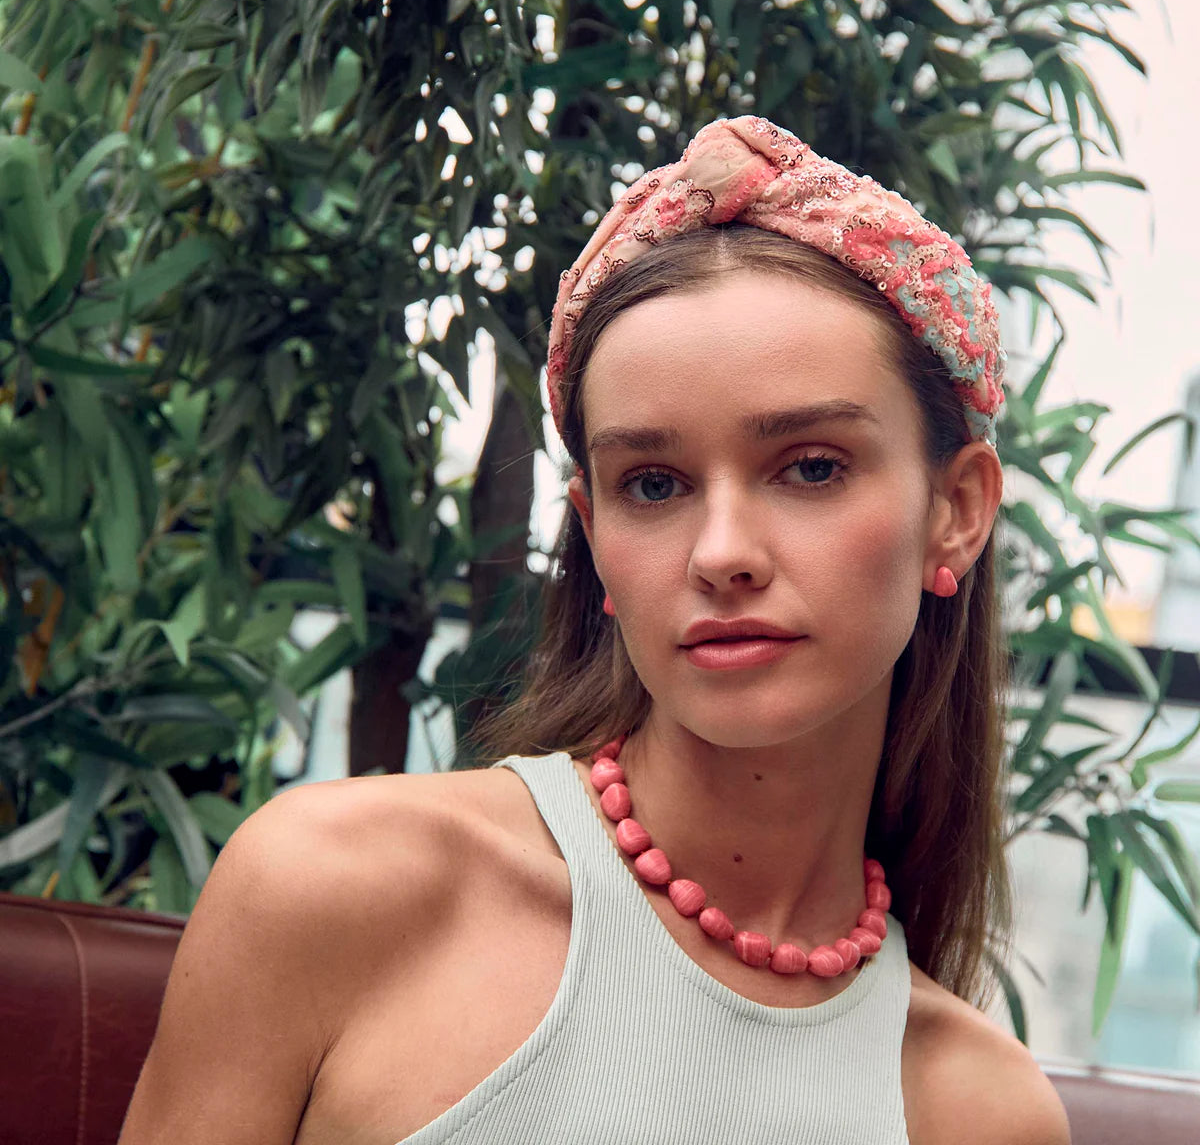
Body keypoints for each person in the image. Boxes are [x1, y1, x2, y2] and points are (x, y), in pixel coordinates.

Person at [118, 116, 1071, 1144]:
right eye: (652, 484)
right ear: (596, 534)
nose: (721, 553)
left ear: (957, 510)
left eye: (811, 467)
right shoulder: (333, 888)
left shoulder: (981, 1111)